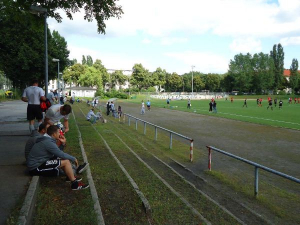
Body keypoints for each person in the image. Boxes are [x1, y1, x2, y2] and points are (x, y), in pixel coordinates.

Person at [27, 125, 89, 190]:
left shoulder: (47, 140)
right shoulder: (48, 142)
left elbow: (56, 153)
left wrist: (63, 144)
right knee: (66, 162)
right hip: (36, 167)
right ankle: (75, 185)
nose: (60, 134)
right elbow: (60, 154)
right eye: (59, 132)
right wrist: (74, 158)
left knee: (63, 160)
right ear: (54, 134)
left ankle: (70, 177)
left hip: (40, 162)